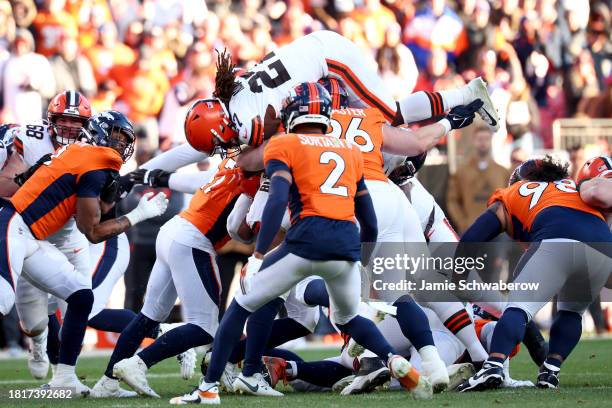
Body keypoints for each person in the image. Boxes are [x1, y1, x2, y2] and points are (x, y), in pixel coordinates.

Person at [170, 82, 434, 405]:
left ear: (293, 113)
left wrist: (258, 253)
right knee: (349, 318)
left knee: (242, 304)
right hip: (347, 245)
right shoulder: (350, 149)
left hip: (307, 239)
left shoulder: (285, 143)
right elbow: (369, 217)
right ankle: (393, 359)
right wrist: (361, 259)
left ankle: (207, 389)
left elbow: (278, 199)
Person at [0, 110, 168, 394]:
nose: (120, 145)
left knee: (81, 294)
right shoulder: (95, 162)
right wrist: (139, 215)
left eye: (124, 140)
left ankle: (64, 379)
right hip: (12, 225)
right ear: (101, 134)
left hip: (32, 236)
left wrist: (108, 194)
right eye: (116, 137)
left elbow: (88, 212)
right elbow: (92, 231)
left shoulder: (82, 152)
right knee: (2, 298)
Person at [186, 30, 498, 157]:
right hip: (317, 53)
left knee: (389, 115)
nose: (222, 148)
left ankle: (466, 93)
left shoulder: (245, 122)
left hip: (331, 57)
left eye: (217, 143)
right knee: (378, 119)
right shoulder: (233, 93)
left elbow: (264, 146)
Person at [456, 156, 612, 391]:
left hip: (555, 239)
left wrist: (459, 276)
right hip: (602, 247)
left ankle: (493, 366)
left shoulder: (511, 193)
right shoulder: (573, 188)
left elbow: (472, 238)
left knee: (518, 308)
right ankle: (550, 371)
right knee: (571, 312)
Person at [446, 126, 510, 233]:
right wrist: (462, 222)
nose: (483, 143)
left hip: (497, 233)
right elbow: (452, 200)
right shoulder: (461, 172)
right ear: (473, 141)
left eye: (486, 139)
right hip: (470, 230)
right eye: (480, 139)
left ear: (491, 141)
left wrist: (503, 224)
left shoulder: (502, 172)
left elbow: (509, 203)